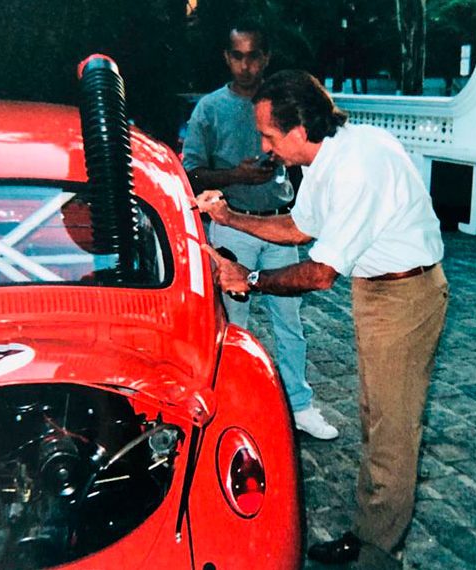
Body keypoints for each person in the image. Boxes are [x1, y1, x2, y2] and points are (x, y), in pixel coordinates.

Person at [195, 70, 448, 570]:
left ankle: (377, 555)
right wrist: (229, 219)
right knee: (376, 418)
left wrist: (248, 278)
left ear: (298, 130)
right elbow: (298, 227)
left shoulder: (357, 166)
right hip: (377, 288)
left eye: (269, 136)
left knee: (392, 432)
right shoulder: (324, 157)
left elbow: (319, 273)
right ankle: (369, 533)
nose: (264, 148)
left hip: (406, 295)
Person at [182, 23, 338, 440]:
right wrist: (237, 175)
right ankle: (237, 408)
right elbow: (189, 171)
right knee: (233, 323)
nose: (246, 65)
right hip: (230, 227)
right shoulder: (210, 108)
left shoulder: (281, 103)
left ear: (266, 57)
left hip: (280, 226)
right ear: (226, 57)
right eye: (238, 55)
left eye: (254, 56)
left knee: (290, 323)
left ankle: (299, 406)